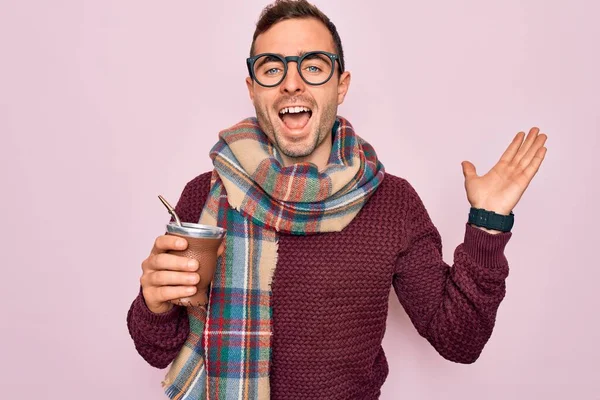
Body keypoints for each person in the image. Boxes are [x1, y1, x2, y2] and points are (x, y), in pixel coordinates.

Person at [126, 1, 548, 399]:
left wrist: (487, 223)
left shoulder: (392, 203)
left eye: (313, 66)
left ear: (340, 85)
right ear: (253, 89)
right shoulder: (207, 194)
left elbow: (460, 341)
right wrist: (154, 304)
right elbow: (156, 350)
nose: (292, 82)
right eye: (272, 69)